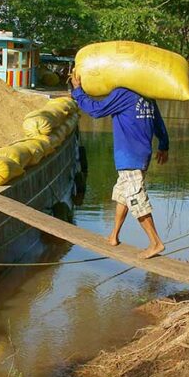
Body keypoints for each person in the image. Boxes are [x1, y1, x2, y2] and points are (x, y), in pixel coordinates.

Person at [69, 73, 169, 258]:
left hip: (129, 156)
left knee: (135, 199)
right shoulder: (147, 94)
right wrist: (164, 144)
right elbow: (158, 122)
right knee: (123, 194)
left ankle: (156, 243)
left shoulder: (123, 93)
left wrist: (78, 92)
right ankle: (114, 235)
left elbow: (96, 110)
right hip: (141, 155)